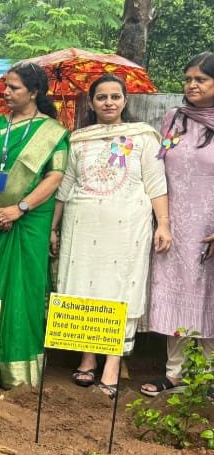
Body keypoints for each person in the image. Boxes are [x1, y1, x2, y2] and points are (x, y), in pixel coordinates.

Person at [51, 74, 171, 398]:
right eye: (101, 97)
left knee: (119, 290)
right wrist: (53, 226)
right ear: (91, 103)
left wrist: (164, 224)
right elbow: (65, 186)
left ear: (125, 100)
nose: (108, 102)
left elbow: (156, 184)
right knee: (83, 288)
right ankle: (87, 358)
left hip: (127, 229)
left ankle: (113, 364)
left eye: (114, 97)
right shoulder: (78, 140)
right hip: (82, 226)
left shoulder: (143, 137)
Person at [0, 62, 70, 389]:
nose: (6, 93)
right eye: (6, 87)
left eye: (14, 88)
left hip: (29, 221)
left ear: (34, 92)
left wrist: (19, 208)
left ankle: (18, 372)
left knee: (23, 289)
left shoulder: (53, 132)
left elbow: (55, 177)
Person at [141, 52, 214, 396]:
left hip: (210, 227)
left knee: (210, 296)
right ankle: (176, 372)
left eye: (200, 79)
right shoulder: (174, 119)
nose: (191, 85)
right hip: (174, 224)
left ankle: (210, 376)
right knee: (178, 292)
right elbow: (159, 167)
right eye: (188, 79)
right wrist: (161, 221)